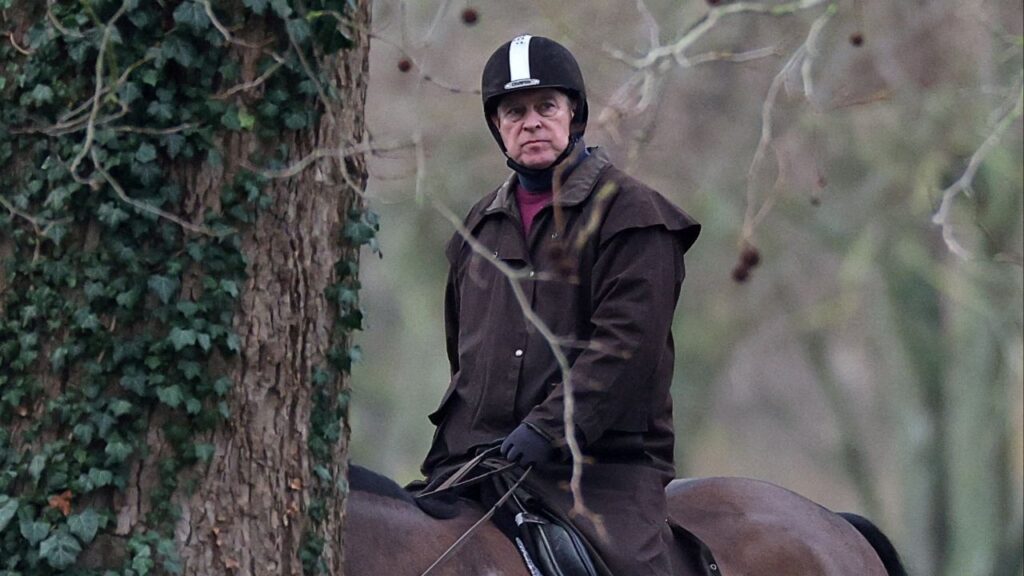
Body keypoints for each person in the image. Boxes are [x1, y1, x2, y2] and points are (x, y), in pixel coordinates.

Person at [419, 34, 700, 576]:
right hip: (481, 464)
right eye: (514, 111)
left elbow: (626, 348)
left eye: (546, 106)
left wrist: (550, 429)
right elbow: (464, 355)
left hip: (600, 470)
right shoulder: (475, 229)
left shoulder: (635, 216)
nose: (531, 122)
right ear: (497, 127)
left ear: (574, 114)